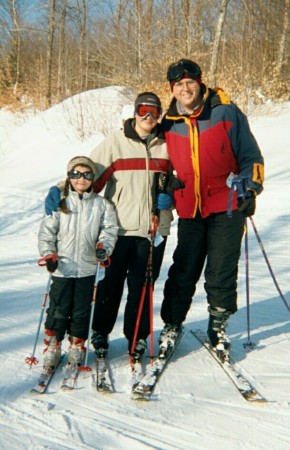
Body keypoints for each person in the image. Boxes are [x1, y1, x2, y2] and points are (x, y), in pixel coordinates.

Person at [45, 92, 173, 363]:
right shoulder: (116, 142)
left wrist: (173, 195)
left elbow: (181, 180)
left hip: (152, 231)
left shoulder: (167, 144)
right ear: (135, 112)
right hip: (116, 231)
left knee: (143, 287)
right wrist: (61, 190)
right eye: (143, 111)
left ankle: (137, 337)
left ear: (160, 114)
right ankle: (100, 331)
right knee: (110, 285)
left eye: (153, 112)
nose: (148, 117)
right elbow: (86, 174)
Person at [158, 59, 264, 361]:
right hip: (190, 208)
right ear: (173, 89)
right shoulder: (169, 123)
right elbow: (156, 162)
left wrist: (251, 188)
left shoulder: (225, 113)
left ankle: (218, 327)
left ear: (200, 82)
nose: (185, 88)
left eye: (190, 82)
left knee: (221, 270)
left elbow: (250, 156)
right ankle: (172, 324)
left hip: (227, 205)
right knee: (184, 269)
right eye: (179, 85)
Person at [38, 156, 118, 369]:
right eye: (76, 174)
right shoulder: (60, 202)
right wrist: (49, 254)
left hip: (87, 267)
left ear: (93, 178)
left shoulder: (102, 205)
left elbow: (109, 230)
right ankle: (53, 344)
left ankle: (77, 344)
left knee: (82, 308)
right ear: (69, 177)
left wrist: (103, 248)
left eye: (87, 175)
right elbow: (47, 232)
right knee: (58, 307)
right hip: (62, 267)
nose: (81, 179)